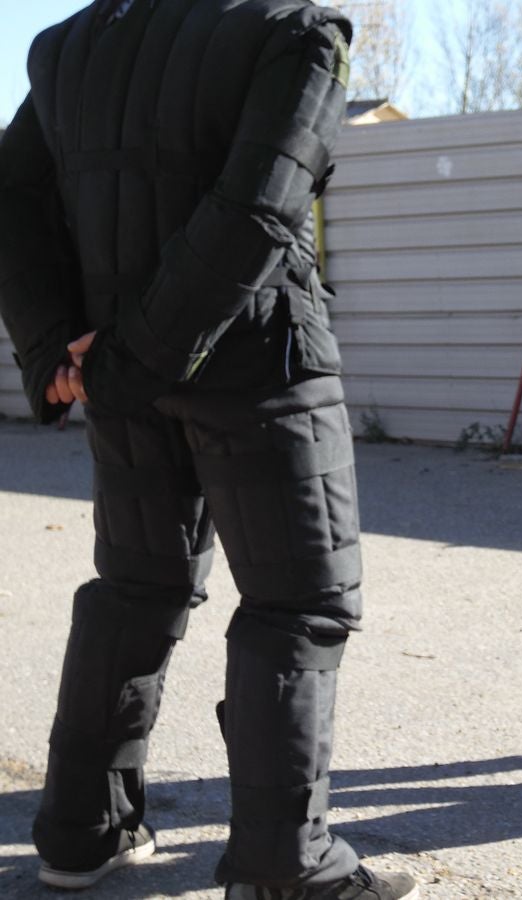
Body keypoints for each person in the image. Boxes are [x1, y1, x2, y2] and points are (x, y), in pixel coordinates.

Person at [0, 1, 416, 897]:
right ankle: (284, 866)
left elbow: (9, 192)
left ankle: (79, 833)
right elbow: (259, 209)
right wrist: (114, 358)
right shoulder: (297, 32)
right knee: (298, 606)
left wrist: (62, 349)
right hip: (260, 369)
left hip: (124, 373)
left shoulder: (67, 45)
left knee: (134, 588)